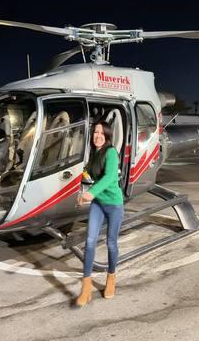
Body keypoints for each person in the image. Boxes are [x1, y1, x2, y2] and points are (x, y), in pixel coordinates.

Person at [76, 121, 124, 307]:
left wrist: (91, 192)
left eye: (101, 132)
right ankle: (86, 287)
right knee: (89, 242)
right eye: (95, 132)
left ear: (107, 135)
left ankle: (111, 278)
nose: (97, 136)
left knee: (111, 243)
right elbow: (87, 174)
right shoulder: (93, 153)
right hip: (98, 204)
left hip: (113, 204)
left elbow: (110, 177)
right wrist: (80, 191)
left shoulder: (111, 152)